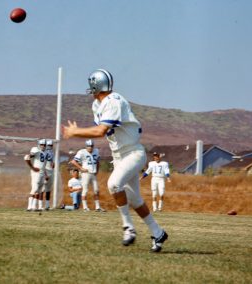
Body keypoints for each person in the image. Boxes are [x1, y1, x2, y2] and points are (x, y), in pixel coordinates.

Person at [62, 69, 168, 252]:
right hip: (119, 157)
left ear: (96, 85)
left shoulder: (114, 101)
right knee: (134, 199)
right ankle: (158, 232)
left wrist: (75, 132)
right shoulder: (97, 105)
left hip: (133, 153)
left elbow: (100, 132)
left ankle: (128, 227)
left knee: (113, 185)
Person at [70, 139, 105, 212]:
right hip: (85, 173)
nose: (90, 147)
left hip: (93, 173)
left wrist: (97, 170)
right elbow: (73, 161)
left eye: (91, 146)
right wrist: (81, 168)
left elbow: (98, 161)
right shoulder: (81, 152)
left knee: (96, 190)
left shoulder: (96, 151)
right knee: (85, 190)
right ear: (86, 146)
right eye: (89, 146)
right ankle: (85, 207)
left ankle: (97, 207)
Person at [24, 139, 47, 211]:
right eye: (41, 144)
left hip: (42, 172)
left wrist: (46, 174)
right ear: (38, 145)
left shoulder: (45, 153)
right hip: (36, 173)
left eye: (44, 145)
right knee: (35, 189)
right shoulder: (36, 150)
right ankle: (29, 206)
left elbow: (43, 165)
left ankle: (34, 206)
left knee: (39, 191)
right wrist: (32, 167)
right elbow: (26, 158)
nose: (43, 146)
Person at [42, 139, 55, 210]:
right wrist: (45, 174)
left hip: (51, 171)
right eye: (49, 145)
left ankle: (47, 205)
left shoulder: (52, 152)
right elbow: (43, 164)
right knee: (42, 188)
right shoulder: (44, 152)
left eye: (51, 145)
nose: (50, 147)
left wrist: (53, 164)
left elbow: (51, 162)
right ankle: (39, 205)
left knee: (48, 189)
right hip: (46, 171)